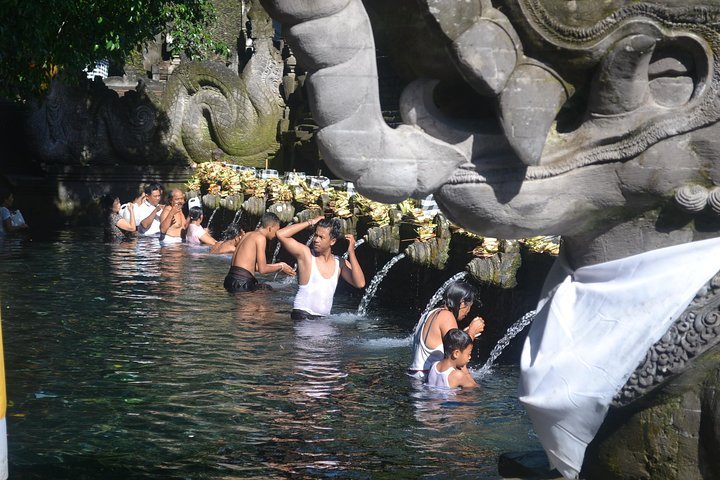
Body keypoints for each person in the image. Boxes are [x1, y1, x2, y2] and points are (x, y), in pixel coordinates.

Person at [277, 216, 366, 319]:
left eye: (321, 237)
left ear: (332, 241)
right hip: (303, 316)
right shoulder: (306, 255)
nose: (316, 240)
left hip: (323, 319)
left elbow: (360, 283)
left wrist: (351, 252)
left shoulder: (340, 262)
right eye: (315, 235)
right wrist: (310, 222)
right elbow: (281, 234)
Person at [408, 280, 485, 380]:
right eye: (469, 306)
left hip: (415, 375)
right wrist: (472, 332)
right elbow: (457, 354)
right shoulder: (447, 316)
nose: (468, 311)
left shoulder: (431, 313)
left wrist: (465, 334)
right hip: (427, 379)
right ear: (462, 303)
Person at [224, 212, 295, 292]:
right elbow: (263, 269)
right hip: (242, 283)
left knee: (265, 291)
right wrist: (281, 266)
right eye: (276, 231)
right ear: (270, 228)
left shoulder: (247, 234)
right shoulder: (260, 238)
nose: (276, 235)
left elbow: (248, 265)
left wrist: (277, 267)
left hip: (230, 280)